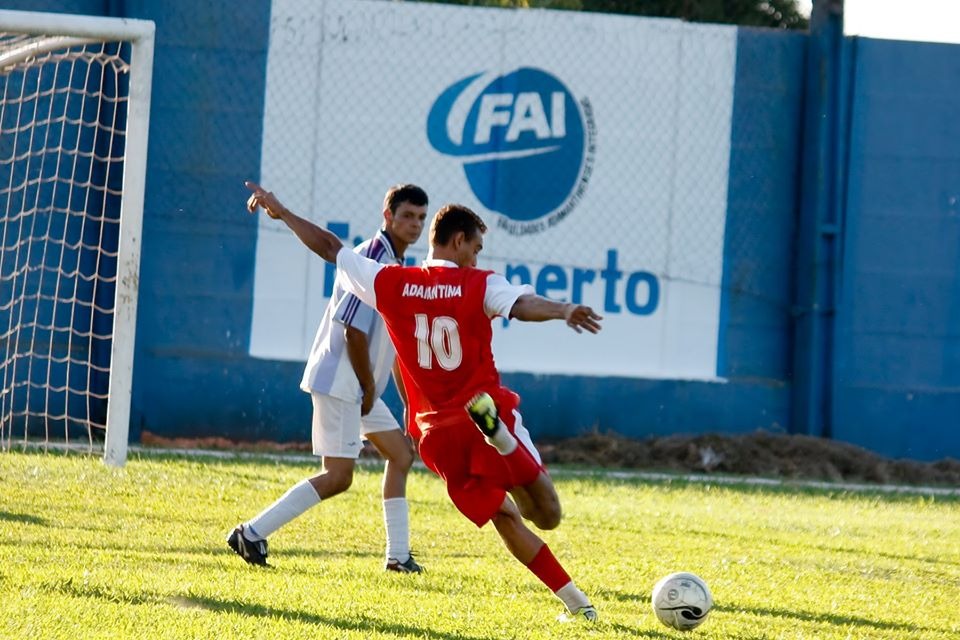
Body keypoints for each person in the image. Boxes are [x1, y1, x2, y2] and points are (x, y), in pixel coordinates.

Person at [244, 181, 602, 622]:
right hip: (484, 411)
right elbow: (523, 304)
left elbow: (331, 248)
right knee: (546, 514)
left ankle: (579, 606)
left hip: (438, 435)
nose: (477, 256)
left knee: (506, 517)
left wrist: (282, 211)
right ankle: (505, 445)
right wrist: (563, 309)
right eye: (476, 246)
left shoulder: (392, 281)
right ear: (458, 241)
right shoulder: (479, 283)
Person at [228, 184, 429, 573]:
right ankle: (251, 533)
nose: (415, 224)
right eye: (407, 216)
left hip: (359, 385)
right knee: (338, 477)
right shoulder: (374, 257)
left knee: (401, 455)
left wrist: (405, 402)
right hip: (343, 381)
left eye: (421, 218)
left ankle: (398, 557)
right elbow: (352, 327)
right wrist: (369, 388)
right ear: (387, 217)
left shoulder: (397, 265)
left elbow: (391, 347)